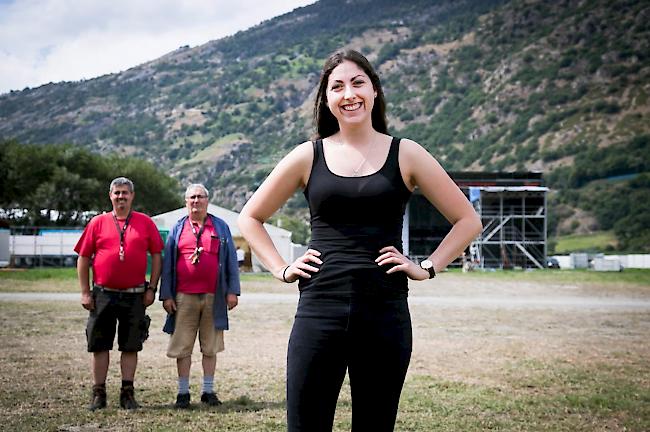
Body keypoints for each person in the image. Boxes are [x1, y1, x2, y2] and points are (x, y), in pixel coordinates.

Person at [238, 49, 482, 431]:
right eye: (337, 86)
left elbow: (467, 220)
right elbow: (250, 218)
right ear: (327, 99)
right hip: (319, 311)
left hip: (384, 314)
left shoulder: (407, 154)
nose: (348, 93)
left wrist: (426, 267)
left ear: (374, 91)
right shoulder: (308, 155)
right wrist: (282, 269)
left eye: (357, 83)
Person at [75, 177, 163, 411]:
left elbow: (156, 255)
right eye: (117, 193)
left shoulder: (145, 223)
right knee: (99, 345)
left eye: (125, 193)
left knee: (131, 345)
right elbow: (83, 258)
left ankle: (127, 393)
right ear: (110, 196)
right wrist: (85, 292)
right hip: (103, 294)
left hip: (135, 295)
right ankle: (98, 393)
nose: (121, 197)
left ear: (132, 196)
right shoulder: (97, 222)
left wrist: (152, 288)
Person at [159, 184, 240, 409]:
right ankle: (183, 393)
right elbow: (167, 265)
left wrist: (232, 291)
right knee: (182, 347)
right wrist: (166, 295)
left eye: (200, 197)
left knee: (210, 346)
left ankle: (208, 390)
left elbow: (231, 260)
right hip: (183, 297)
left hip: (215, 297)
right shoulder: (177, 228)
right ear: (186, 202)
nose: (196, 201)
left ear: (207, 200)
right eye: (192, 198)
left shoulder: (221, 227)